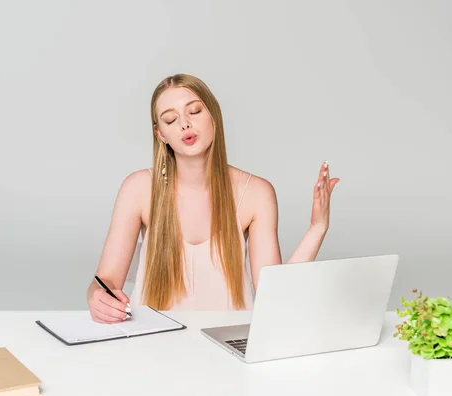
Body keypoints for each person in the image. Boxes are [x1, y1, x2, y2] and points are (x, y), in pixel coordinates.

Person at [86, 73, 339, 323]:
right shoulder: (138, 188)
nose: (184, 124)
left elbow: (274, 296)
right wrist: (98, 298)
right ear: (160, 133)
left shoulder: (256, 194)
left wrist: (317, 228)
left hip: (228, 350)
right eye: (171, 119)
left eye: (194, 111)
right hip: (152, 347)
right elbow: (104, 282)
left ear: (214, 116)